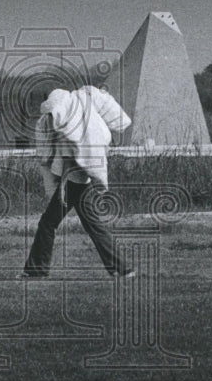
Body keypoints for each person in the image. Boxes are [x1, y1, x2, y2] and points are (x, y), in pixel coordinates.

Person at [22, 85, 135, 278]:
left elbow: (68, 159)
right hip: (82, 179)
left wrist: (62, 186)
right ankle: (121, 268)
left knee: (49, 223)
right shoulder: (80, 121)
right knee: (91, 225)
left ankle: (37, 270)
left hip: (74, 181)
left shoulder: (67, 127)